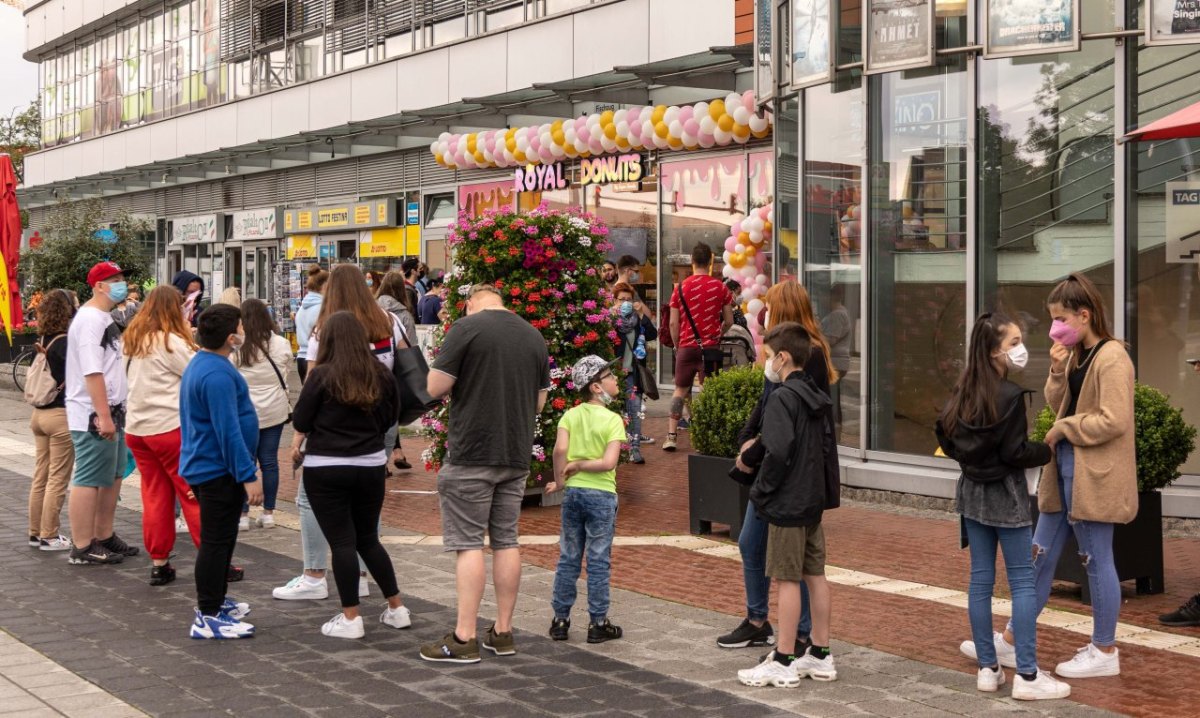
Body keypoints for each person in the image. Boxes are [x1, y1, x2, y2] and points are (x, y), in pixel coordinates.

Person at [965, 273, 1135, 680]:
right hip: (1066, 470)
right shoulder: (1077, 354)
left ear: (1084, 314)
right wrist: (1058, 373)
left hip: (1094, 472)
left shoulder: (1112, 357)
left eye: (1061, 318)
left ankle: (1104, 647)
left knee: (1096, 556)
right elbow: (1059, 402)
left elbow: (1115, 419)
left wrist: (1064, 429)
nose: (1055, 327)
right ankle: (1010, 639)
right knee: (1037, 556)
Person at [936, 313, 1070, 700]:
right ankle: (1027, 674)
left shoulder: (962, 390)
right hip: (1006, 496)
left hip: (972, 494)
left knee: (980, 580)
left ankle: (987, 669)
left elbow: (944, 434)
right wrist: (1045, 449)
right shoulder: (1010, 396)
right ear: (995, 350)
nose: (1020, 348)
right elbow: (1015, 451)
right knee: (1022, 582)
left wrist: (972, 463)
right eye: (1013, 342)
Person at [420, 283, 550, 664]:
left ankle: (464, 637)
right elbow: (540, 401)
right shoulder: (533, 334)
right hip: (515, 453)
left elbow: (434, 386)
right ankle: (504, 632)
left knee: (469, 544)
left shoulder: (466, 328)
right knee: (507, 541)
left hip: (472, 451)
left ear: (471, 303)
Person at [273, 263, 407, 602]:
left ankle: (315, 573)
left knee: (309, 499)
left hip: (331, 430)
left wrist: (300, 436)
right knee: (368, 507)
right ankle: (361, 574)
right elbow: (408, 366)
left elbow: (312, 382)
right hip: (380, 420)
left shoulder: (326, 329)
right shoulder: (388, 322)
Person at [719, 280, 836, 652]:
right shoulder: (783, 355)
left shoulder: (807, 356)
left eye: (770, 306)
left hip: (788, 476)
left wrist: (754, 453)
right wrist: (747, 434)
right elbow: (768, 402)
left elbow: (789, 422)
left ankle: (793, 639)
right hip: (781, 469)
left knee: (789, 560)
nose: (763, 313)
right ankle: (772, 626)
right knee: (761, 547)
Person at [289, 311, 411, 639]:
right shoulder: (380, 374)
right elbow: (391, 417)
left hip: (325, 466)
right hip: (370, 464)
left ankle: (351, 618)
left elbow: (302, 417)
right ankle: (397, 608)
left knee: (342, 541)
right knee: (368, 539)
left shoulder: (322, 376)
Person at [736, 322, 839, 688]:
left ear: (782, 357)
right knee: (816, 576)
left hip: (788, 502)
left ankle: (782, 658)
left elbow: (778, 452)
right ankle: (821, 653)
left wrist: (762, 490)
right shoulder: (812, 393)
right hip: (811, 500)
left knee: (787, 578)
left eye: (767, 355)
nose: (765, 362)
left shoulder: (782, 397)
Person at [180, 304, 261, 639]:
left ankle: (216, 601)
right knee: (215, 542)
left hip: (212, 466)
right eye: (241, 327)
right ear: (231, 338)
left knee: (222, 539)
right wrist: (248, 475)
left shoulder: (207, 364)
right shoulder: (215, 374)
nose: (244, 331)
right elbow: (226, 430)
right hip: (216, 469)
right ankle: (208, 613)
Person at [124, 286, 202, 586]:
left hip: (137, 430)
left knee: (155, 496)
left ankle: (159, 562)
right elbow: (198, 374)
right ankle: (214, 560)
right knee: (193, 495)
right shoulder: (170, 342)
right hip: (169, 428)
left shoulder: (131, 340)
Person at [545, 355, 626, 644]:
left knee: (568, 556)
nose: (615, 380)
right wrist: (580, 465)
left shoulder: (570, 415)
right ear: (595, 387)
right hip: (602, 495)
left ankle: (560, 620)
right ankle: (598, 623)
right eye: (609, 376)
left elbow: (559, 450)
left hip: (574, 494)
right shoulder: (613, 420)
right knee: (598, 559)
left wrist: (562, 479)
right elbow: (608, 463)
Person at [65, 262, 138, 565]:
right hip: (93, 414)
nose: (121, 284)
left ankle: (104, 535)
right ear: (98, 286)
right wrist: (103, 415)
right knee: (90, 476)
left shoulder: (103, 317)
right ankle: (82, 545)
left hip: (112, 410)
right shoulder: (90, 320)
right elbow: (92, 371)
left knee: (113, 475)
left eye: (122, 279)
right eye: (115, 279)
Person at [665, 243, 732, 452]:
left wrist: (678, 345)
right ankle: (707, 437)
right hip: (710, 348)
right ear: (710, 262)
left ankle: (671, 436)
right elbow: (729, 320)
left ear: (692, 261)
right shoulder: (720, 287)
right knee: (709, 391)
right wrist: (717, 334)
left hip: (686, 346)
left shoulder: (680, 288)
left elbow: (673, 324)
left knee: (680, 390)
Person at [234, 299, 293, 531]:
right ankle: (269, 513)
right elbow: (286, 370)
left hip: (245, 410)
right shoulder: (280, 343)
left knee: (245, 461)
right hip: (274, 410)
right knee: (269, 461)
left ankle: (242, 515)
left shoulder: (237, 346)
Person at [27, 289, 75, 552]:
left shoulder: (44, 337)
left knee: (41, 476)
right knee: (58, 478)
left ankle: (35, 533)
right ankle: (50, 535)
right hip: (59, 416)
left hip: (38, 415)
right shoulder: (66, 341)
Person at [376, 271, 417, 470]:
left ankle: (383, 458)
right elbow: (410, 349)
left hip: (374, 374)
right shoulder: (403, 316)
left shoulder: (370, 311)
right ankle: (384, 459)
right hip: (395, 374)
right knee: (392, 417)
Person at [612, 282, 657, 464]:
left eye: (628, 299)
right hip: (613, 375)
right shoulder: (610, 320)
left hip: (633, 374)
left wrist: (641, 314)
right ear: (615, 300)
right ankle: (614, 449)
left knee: (635, 410)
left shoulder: (637, 320)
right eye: (622, 299)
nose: (625, 303)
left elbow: (653, 334)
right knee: (615, 412)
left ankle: (635, 448)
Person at [820, 284, 851, 435]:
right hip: (837, 362)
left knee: (831, 399)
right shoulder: (839, 313)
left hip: (835, 362)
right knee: (834, 399)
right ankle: (835, 430)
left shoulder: (837, 315)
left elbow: (830, 340)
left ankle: (833, 431)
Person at [295, 265, 328, 384]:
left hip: (301, 358)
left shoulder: (302, 308)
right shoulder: (322, 309)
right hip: (316, 358)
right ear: (324, 286)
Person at [376, 271, 418, 348]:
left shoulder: (372, 311)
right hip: (399, 357)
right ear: (402, 290)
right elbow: (411, 345)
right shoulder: (405, 316)